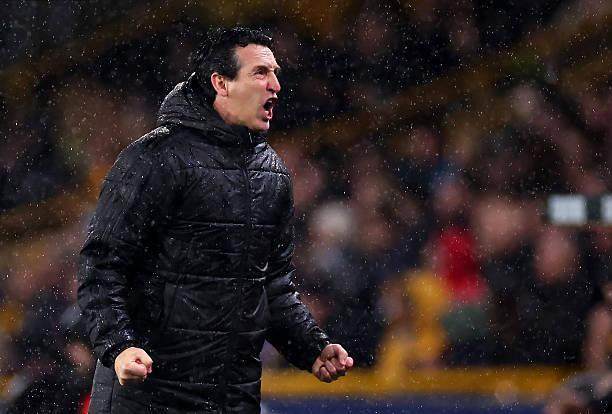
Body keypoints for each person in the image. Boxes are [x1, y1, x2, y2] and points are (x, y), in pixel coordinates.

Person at [77, 27, 353, 413]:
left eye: (275, 73)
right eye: (260, 73)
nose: (275, 85)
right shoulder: (155, 158)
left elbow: (271, 284)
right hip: (149, 391)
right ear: (220, 83)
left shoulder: (272, 174)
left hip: (232, 395)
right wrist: (119, 346)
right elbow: (103, 265)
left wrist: (310, 346)